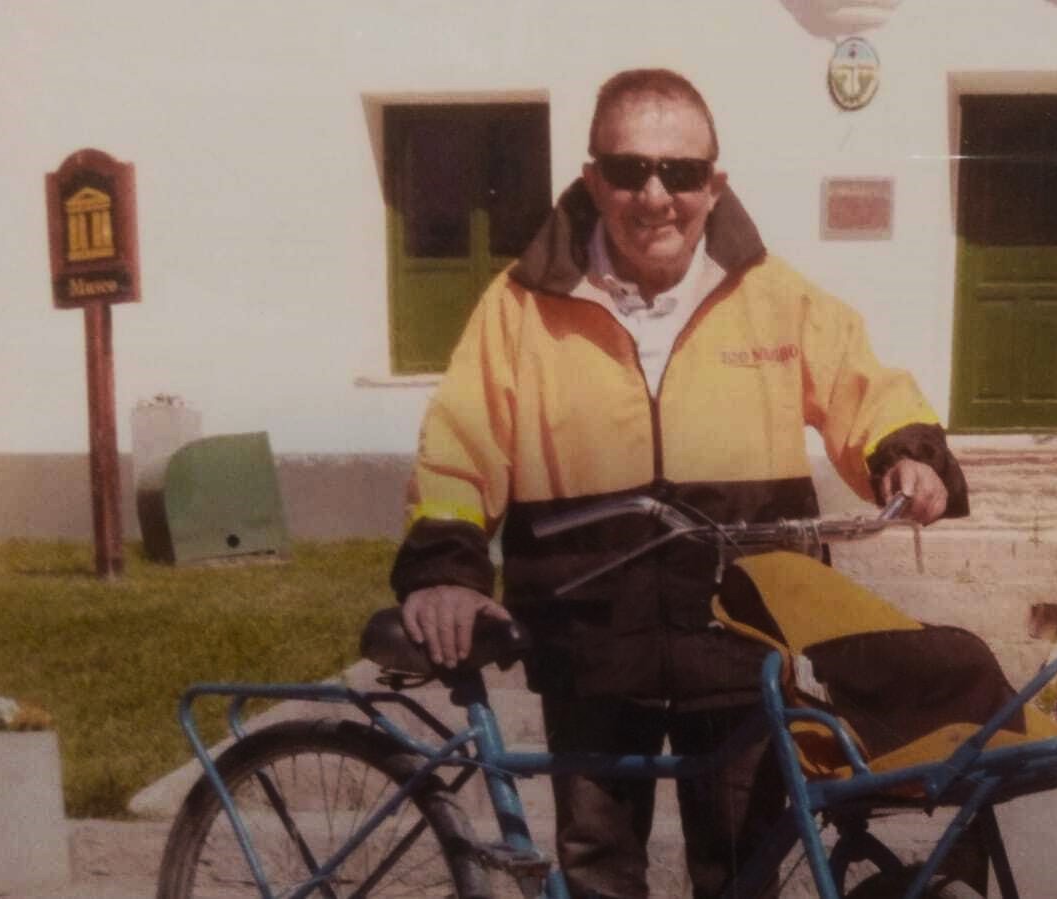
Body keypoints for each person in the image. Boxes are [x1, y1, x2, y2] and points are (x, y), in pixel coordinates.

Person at [390, 68, 969, 899]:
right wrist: (445, 568)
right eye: (628, 170)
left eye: (680, 172)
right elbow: (459, 446)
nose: (653, 195)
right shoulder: (520, 308)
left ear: (714, 184)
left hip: (740, 633)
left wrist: (903, 454)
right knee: (597, 871)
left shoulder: (776, 298)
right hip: (588, 633)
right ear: (592, 177)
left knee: (744, 869)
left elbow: (861, 387)